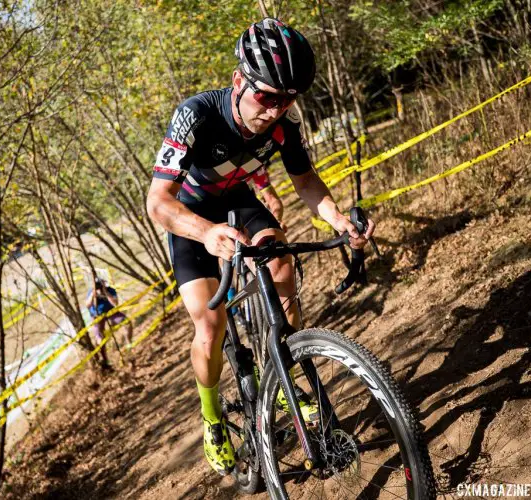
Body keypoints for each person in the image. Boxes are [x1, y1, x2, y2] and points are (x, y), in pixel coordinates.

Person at [145, 18, 375, 476]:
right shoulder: (197, 115)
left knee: (282, 263)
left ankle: (288, 374)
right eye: (267, 96)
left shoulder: (283, 126)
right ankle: (212, 418)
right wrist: (207, 233)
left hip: (240, 204)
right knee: (209, 327)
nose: (275, 109)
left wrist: (337, 220)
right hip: (190, 215)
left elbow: (306, 181)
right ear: (239, 81)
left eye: (287, 99)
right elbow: (157, 202)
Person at [85, 278, 134, 347]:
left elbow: (115, 303)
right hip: (97, 315)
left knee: (127, 323)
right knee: (100, 339)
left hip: (111, 312)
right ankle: (103, 354)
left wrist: (106, 293)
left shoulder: (110, 290)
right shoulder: (91, 292)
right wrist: (92, 295)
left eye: (101, 285)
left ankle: (129, 342)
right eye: (97, 286)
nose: (99, 288)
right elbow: (87, 305)